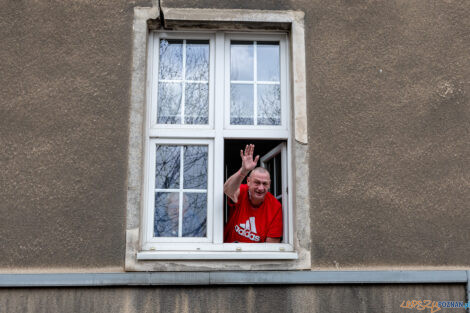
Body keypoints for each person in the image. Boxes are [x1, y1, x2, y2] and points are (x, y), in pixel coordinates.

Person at [223, 144, 283, 243]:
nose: (260, 188)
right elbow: (227, 190)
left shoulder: (275, 207)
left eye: (265, 184)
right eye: (257, 182)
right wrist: (243, 171)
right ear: (248, 181)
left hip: (255, 257)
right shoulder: (242, 191)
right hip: (229, 253)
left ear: (269, 185)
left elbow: (271, 248)